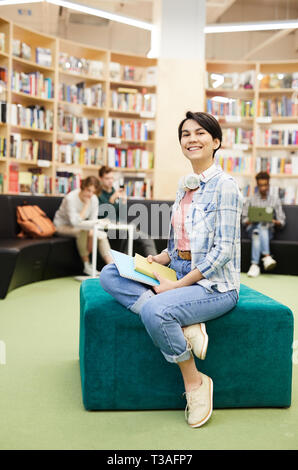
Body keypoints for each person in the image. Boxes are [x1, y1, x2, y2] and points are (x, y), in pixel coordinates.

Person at [99, 111, 243, 428]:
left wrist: (177, 287)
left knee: (156, 312)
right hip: (178, 271)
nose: (192, 139)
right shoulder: (185, 185)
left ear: (216, 141)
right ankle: (187, 326)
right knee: (110, 273)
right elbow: (177, 242)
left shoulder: (226, 186)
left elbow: (224, 251)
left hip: (213, 286)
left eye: (200, 133)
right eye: (186, 134)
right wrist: (159, 260)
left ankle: (194, 382)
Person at [53, 175, 113, 276]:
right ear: (83, 187)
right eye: (88, 190)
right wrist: (85, 206)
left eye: (93, 192)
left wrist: (91, 234)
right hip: (62, 226)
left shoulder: (93, 199)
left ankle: (112, 267)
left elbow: (93, 220)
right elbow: (74, 222)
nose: (90, 194)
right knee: (82, 231)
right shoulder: (71, 198)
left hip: (83, 227)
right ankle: (86, 266)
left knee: (102, 235)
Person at [98, 165, 158, 257]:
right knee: (126, 233)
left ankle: (155, 264)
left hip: (121, 225)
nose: (110, 181)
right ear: (101, 178)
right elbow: (102, 217)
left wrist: (123, 202)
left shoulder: (116, 192)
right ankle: (124, 265)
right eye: (107, 178)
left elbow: (122, 217)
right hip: (107, 227)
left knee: (147, 238)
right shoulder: (98, 194)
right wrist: (111, 200)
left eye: (112, 178)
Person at [242, 171, 286, 278]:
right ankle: (267, 256)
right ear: (257, 185)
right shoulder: (250, 200)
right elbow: (244, 220)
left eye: (265, 185)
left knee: (260, 229)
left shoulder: (275, 200)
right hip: (251, 228)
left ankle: (254, 265)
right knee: (258, 227)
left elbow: (282, 221)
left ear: (269, 184)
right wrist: (252, 219)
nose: (263, 188)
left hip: (268, 231)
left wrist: (272, 221)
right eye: (261, 185)